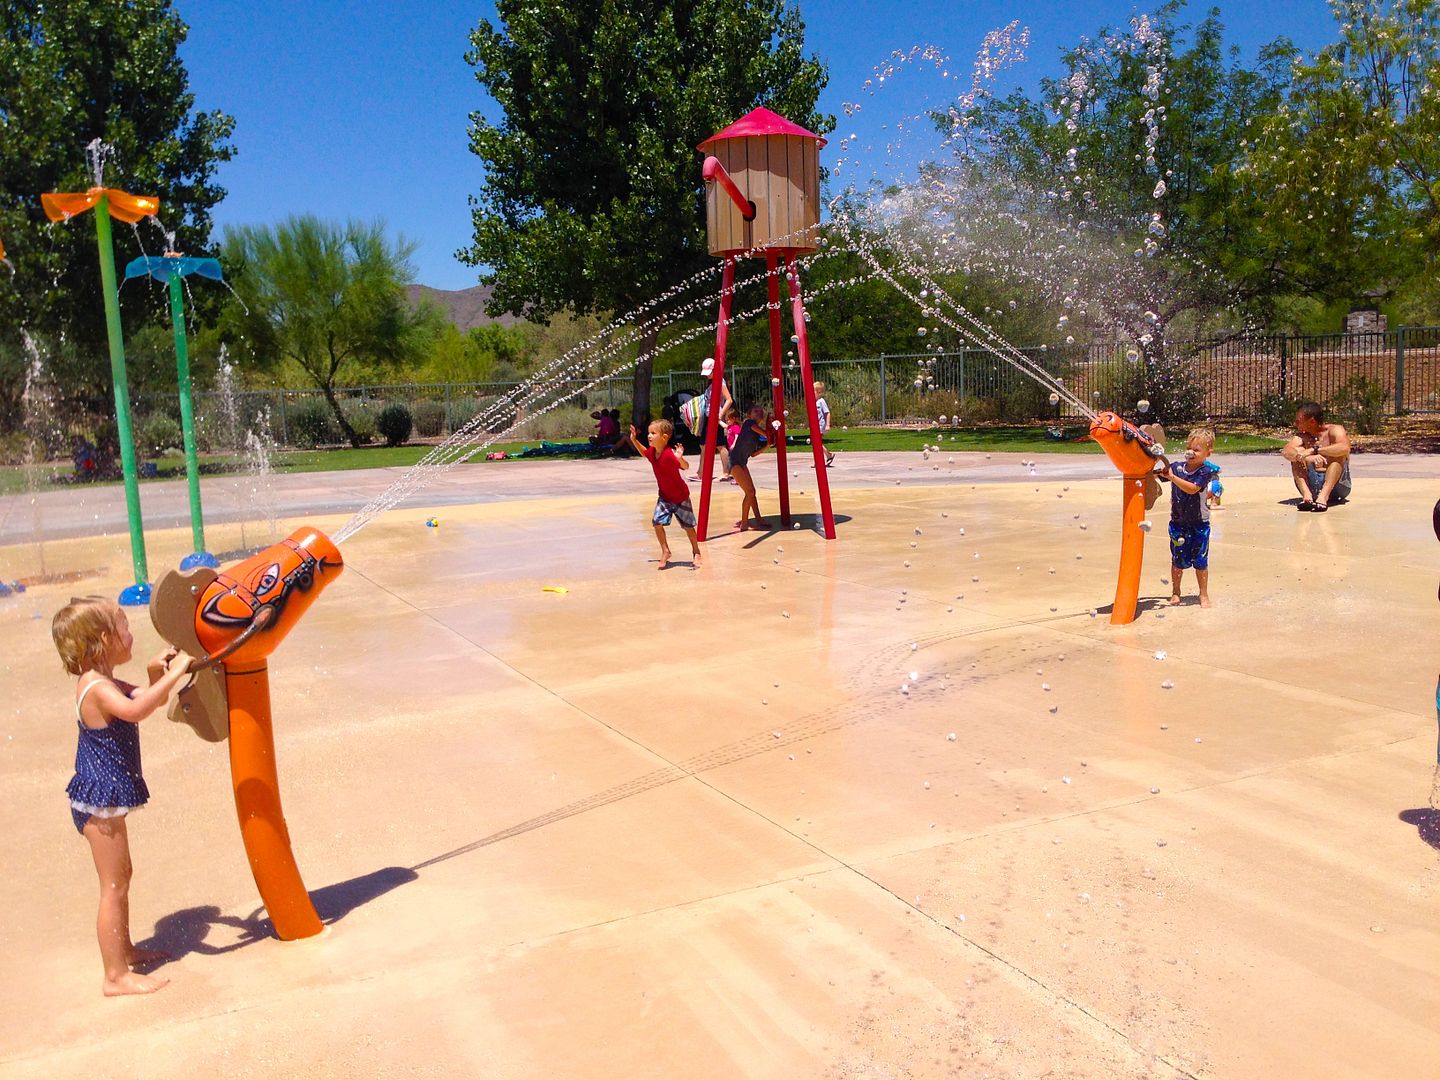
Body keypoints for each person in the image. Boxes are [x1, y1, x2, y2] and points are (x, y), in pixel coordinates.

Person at [51, 596, 193, 995]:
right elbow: (136, 711)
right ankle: (114, 976)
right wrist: (175, 673)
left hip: (105, 800)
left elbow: (149, 698)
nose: (131, 634)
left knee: (123, 877)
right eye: (124, 627)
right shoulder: (96, 687)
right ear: (102, 639)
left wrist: (155, 675)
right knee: (112, 886)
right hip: (98, 805)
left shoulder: (107, 681)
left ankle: (125, 949)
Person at [628, 419, 702, 570]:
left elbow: (685, 466)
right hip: (665, 497)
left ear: (664, 437)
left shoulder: (669, 455)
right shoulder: (653, 453)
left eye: (653, 433)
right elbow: (644, 453)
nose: (649, 435)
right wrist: (634, 440)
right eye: (649, 432)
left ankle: (696, 551)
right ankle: (665, 551)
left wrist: (680, 457)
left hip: (681, 497)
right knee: (657, 522)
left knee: (688, 527)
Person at [1160, 429, 1220, 609]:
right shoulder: (1177, 467)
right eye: (1188, 448)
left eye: (1196, 449)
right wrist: (1158, 472)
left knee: (1200, 561)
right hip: (1178, 523)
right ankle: (1176, 592)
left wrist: (1171, 476)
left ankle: (1203, 594)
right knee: (1177, 560)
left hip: (1199, 524)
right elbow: (1160, 475)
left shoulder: (1205, 471)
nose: (1190, 452)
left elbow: (1193, 488)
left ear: (1208, 453)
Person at [1282, 402, 1352, 512]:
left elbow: (1345, 447)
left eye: (1299, 420)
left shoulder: (1334, 430)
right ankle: (1307, 497)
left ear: (1312, 421)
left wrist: (1314, 450)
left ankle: (1323, 497)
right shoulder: (1302, 436)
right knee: (1297, 454)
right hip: (1312, 487)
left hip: (1338, 488)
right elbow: (1286, 451)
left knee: (1338, 454)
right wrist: (1304, 457)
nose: (1295, 423)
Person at [688, 357, 734, 481]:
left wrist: (720, 415)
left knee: (720, 445)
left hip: (715, 418)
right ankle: (701, 472)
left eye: (710, 372)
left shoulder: (720, 382)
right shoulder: (713, 382)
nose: (708, 376)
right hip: (709, 417)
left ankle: (726, 472)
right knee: (703, 445)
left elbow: (729, 400)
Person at [728, 404, 771, 531]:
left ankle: (758, 519)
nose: (759, 413)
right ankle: (745, 523)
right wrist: (769, 434)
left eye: (761, 411)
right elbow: (759, 430)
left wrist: (767, 446)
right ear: (749, 415)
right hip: (734, 462)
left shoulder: (756, 434)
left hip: (741, 463)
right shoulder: (748, 423)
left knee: (752, 492)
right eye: (755, 411)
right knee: (750, 492)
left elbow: (753, 454)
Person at [813, 381, 835, 467]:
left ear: (819, 392)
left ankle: (822, 458)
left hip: (820, 426)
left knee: (817, 442)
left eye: (813, 391)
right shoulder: (814, 402)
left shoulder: (821, 401)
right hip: (815, 425)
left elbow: (827, 413)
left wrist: (827, 424)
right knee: (817, 443)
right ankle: (828, 455)